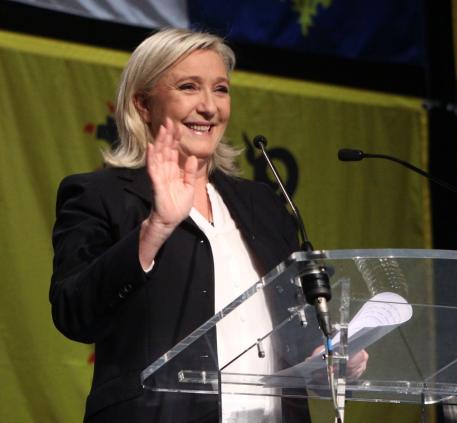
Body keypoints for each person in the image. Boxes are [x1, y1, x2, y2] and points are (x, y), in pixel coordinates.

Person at [50, 28, 368, 423]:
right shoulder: (100, 195)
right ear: (143, 104)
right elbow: (74, 313)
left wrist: (325, 360)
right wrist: (157, 227)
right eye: (188, 87)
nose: (209, 107)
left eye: (220, 89)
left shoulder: (262, 204)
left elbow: (295, 325)